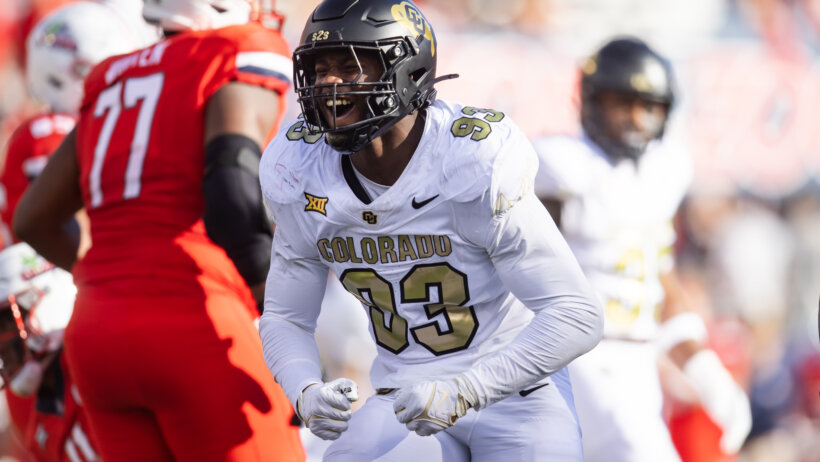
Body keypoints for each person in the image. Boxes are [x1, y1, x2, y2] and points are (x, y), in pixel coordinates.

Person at [258, 0, 604, 460]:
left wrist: (467, 389)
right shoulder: (299, 166)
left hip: (515, 394)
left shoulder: (471, 159)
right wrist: (304, 388)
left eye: (351, 66)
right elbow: (285, 316)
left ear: (409, 72)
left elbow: (577, 314)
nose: (330, 84)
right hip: (405, 397)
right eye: (319, 69)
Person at [12, 0, 305, 460]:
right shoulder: (233, 50)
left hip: (98, 335)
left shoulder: (111, 77)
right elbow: (231, 189)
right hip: (195, 318)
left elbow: (33, 217)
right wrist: (287, 325)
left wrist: (107, 277)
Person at [532, 36, 751, 462]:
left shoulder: (663, 173)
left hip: (638, 365)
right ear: (592, 101)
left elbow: (655, 283)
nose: (635, 119)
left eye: (648, 107)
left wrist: (706, 372)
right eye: (622, 104)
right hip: (573, 359)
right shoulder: (560, 167)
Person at [0, 242, 98, 462]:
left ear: (47, 296)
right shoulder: (38, 431)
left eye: (4, 324)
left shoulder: (102, 368)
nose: (1, 345)